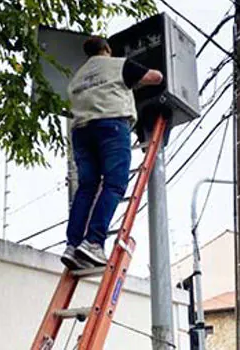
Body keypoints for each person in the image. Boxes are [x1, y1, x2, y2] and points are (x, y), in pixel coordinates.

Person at [61, 36, 163, 269]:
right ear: (106, 49)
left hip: (81, 132)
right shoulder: (118, 64)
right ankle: (94, 242)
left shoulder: (76, 79)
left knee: (87, 187)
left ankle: (72, 244)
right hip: (111, 126)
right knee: (115, 183)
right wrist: (135, 81)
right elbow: (156, 78)